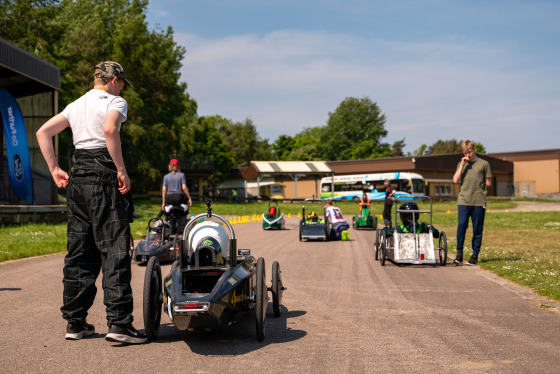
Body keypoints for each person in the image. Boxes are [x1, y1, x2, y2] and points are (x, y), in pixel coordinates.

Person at [36, 61, 147, 344]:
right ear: (114, 81)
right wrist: (121, 171)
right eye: (122, 83)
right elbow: (110, 130)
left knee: (80, 253)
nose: (123, 89)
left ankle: (76, 323)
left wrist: (54, 169)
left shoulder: (75, 105)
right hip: (104, 178)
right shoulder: (116, 102)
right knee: (114, 249)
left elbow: (43, 133)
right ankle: (120, 325)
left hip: (77, 179)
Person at [452, 140, 493, 266]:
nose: (468, 155)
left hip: (478, 201)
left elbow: (489, 183)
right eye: (465, 153)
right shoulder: (461, 164)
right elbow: (455, 180)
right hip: (464, 200)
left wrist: (481, 185)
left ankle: (474, 255)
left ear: (474, 149)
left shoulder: (484, 164)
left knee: (477, 229)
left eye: (469, 152)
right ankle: (459, 254)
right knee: (462, 226)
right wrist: (462, 165)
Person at [162, 159, 193, 236]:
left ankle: (171, 234)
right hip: (179, 197)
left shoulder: (166, 177)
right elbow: (184, 187)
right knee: (181, 215)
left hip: (170, 198)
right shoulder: (181, 175)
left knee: (171, 216)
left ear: (169, 166)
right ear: (178, 166)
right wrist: (189, 198)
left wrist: (163, 202)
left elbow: (164, 190)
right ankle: (181, 233)